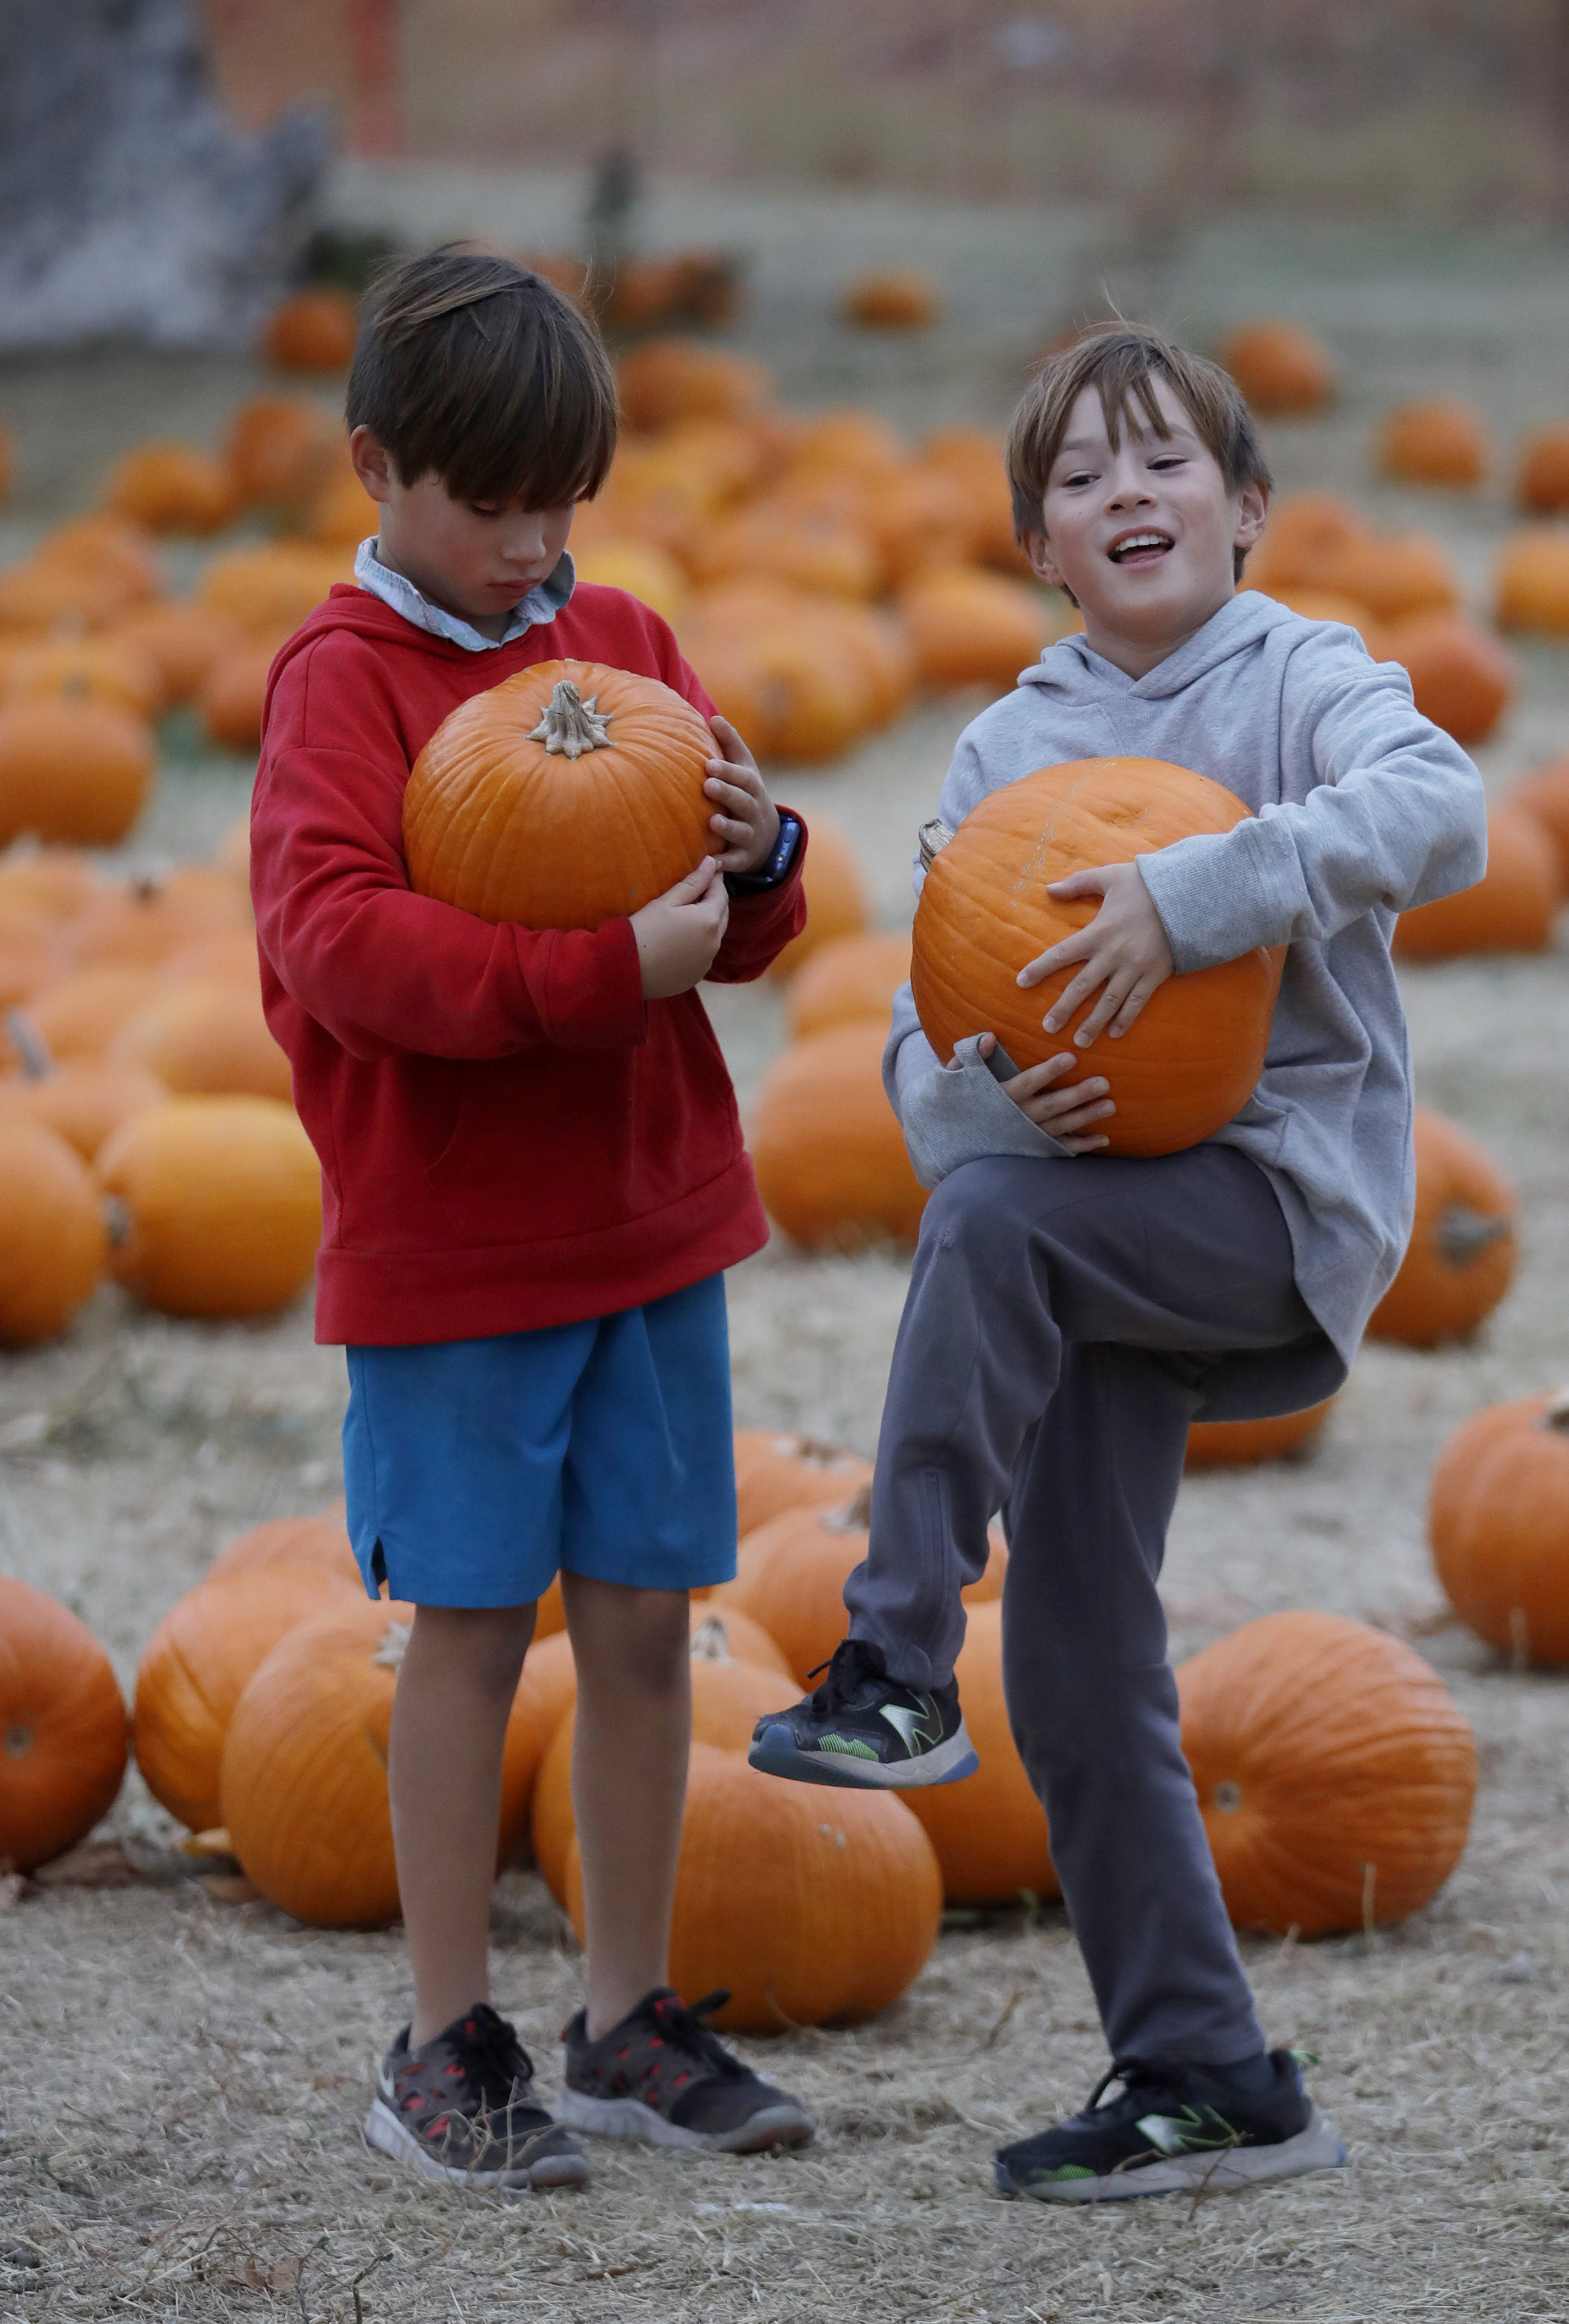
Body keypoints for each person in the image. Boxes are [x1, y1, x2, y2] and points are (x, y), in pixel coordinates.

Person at [748, 327, 1487, 2203]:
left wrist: (1196, 890)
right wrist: (989, 1099)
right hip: (1090, 1221)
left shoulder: (1303, 677)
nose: (1126, 493)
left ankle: (894, 1650)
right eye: (1081, 477)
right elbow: (932, 1033)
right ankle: (1207, 2072)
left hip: (1268, 1204)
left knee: (991, 1230)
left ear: (1245, 513)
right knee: (1080, 1662)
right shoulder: (1011, 744)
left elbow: (1444, 813)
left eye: (1165, 463)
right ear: (1039, 547)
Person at [249, 251, 815, 2190]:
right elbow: (336, 947)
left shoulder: (626, 642)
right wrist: (596, 971)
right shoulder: (344, 685)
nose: (530, 544)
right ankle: (441, 2038)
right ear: (375, 469)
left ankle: (624, 2018)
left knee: (651, 1621)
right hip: (456, 1254)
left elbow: (728, 922)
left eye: (559, 502)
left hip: (650, 1226)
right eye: (488, 505)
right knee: (471, 1629)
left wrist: (763, 862)